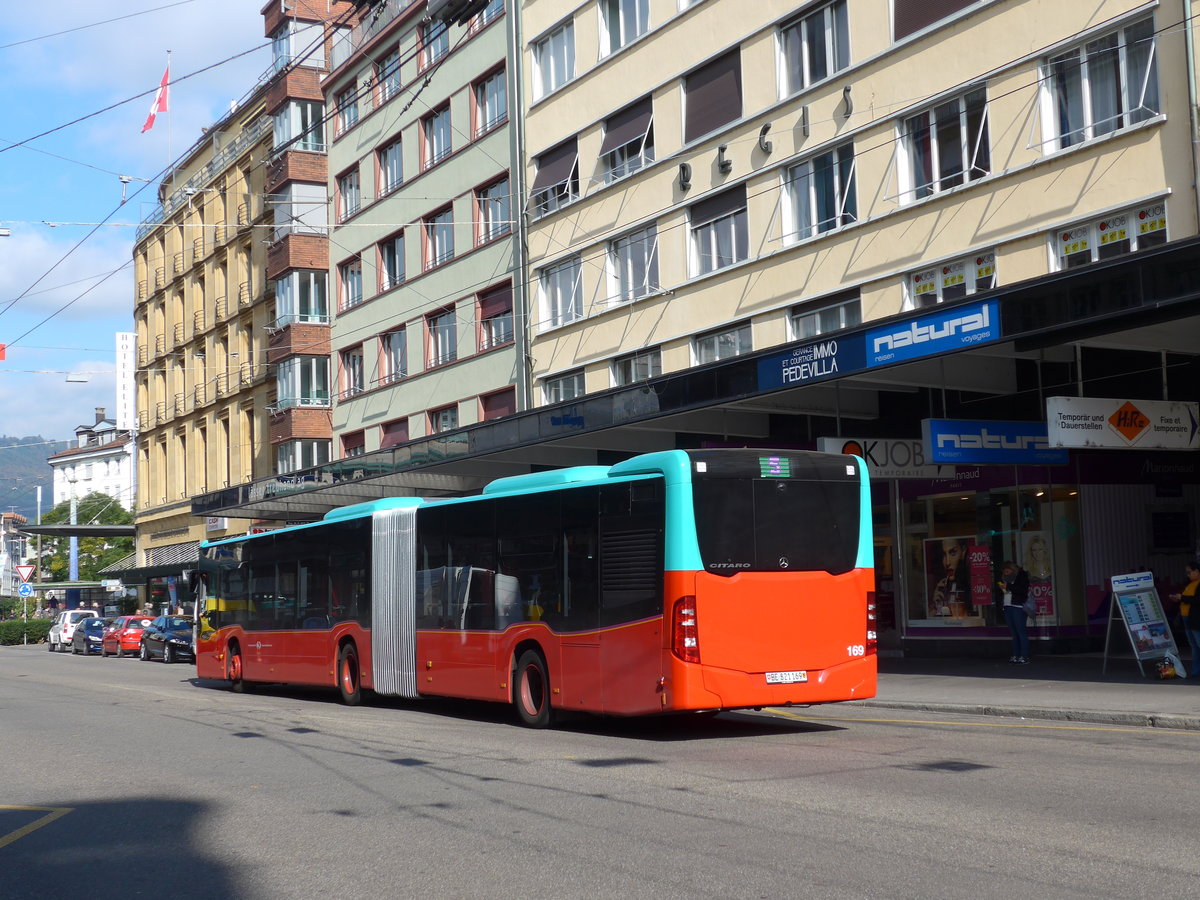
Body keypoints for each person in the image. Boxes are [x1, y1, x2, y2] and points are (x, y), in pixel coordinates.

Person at [1169, 562, 1200, 677]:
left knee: (1198, 643)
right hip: (1187, 618)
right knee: (1194, 646)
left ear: (1197, 571)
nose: (1188, 575)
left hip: (1196, 619)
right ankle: (1196, 672)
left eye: (1189, 572)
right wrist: (1178, 599)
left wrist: (1182, 598)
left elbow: (1197, 600)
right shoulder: (1190, 584)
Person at [999, 560, 1031, 664]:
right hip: (1007, 606)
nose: (1006, 574)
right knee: (1014, 633)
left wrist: (1008, 587)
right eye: (1004, 572)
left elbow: (1022, 590)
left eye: (1007, 571)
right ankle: (1015, 655)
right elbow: (1006, 592)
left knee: (1021, 632)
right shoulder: (1005, 579)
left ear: (1013, 569)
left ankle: (1024, 656)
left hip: (1018, 606)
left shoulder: (1021, 576)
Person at [930, 538, 969, 617]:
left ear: (963, 551)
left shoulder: (969, 586)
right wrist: (936, 605)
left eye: (953, 552)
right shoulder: (942, 586)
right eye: (944, 555)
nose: (947, 562)